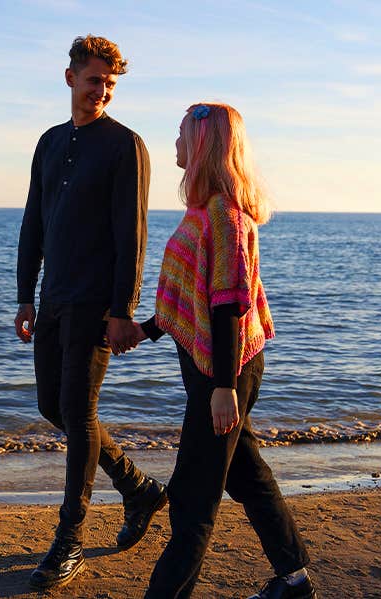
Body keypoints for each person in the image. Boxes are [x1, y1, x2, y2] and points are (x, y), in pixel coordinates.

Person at [134, 103, 316, 599]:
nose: (173, 145)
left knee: (193, 495)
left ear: (202, 146)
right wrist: (145, 331)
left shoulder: (226, 215)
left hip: (226, 371)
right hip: (213, 369)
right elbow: (192, 293)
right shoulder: (203, 208)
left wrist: (223, 388)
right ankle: (293, 580)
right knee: (248, 476)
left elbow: (230, 305)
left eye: (179, 137)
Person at [14, 35, 167, 591]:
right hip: (52, 300)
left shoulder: (125, 145)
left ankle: (69, 540)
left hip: (94, 307)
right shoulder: (50, 142)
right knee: (52, 407)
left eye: (109, 82)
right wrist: (25, 295)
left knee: (78, 417)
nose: (101, 90)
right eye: (93, 79)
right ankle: (138, 488)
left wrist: (123, 310)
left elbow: (133, 235)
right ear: (70, 78)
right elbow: (35, 220)